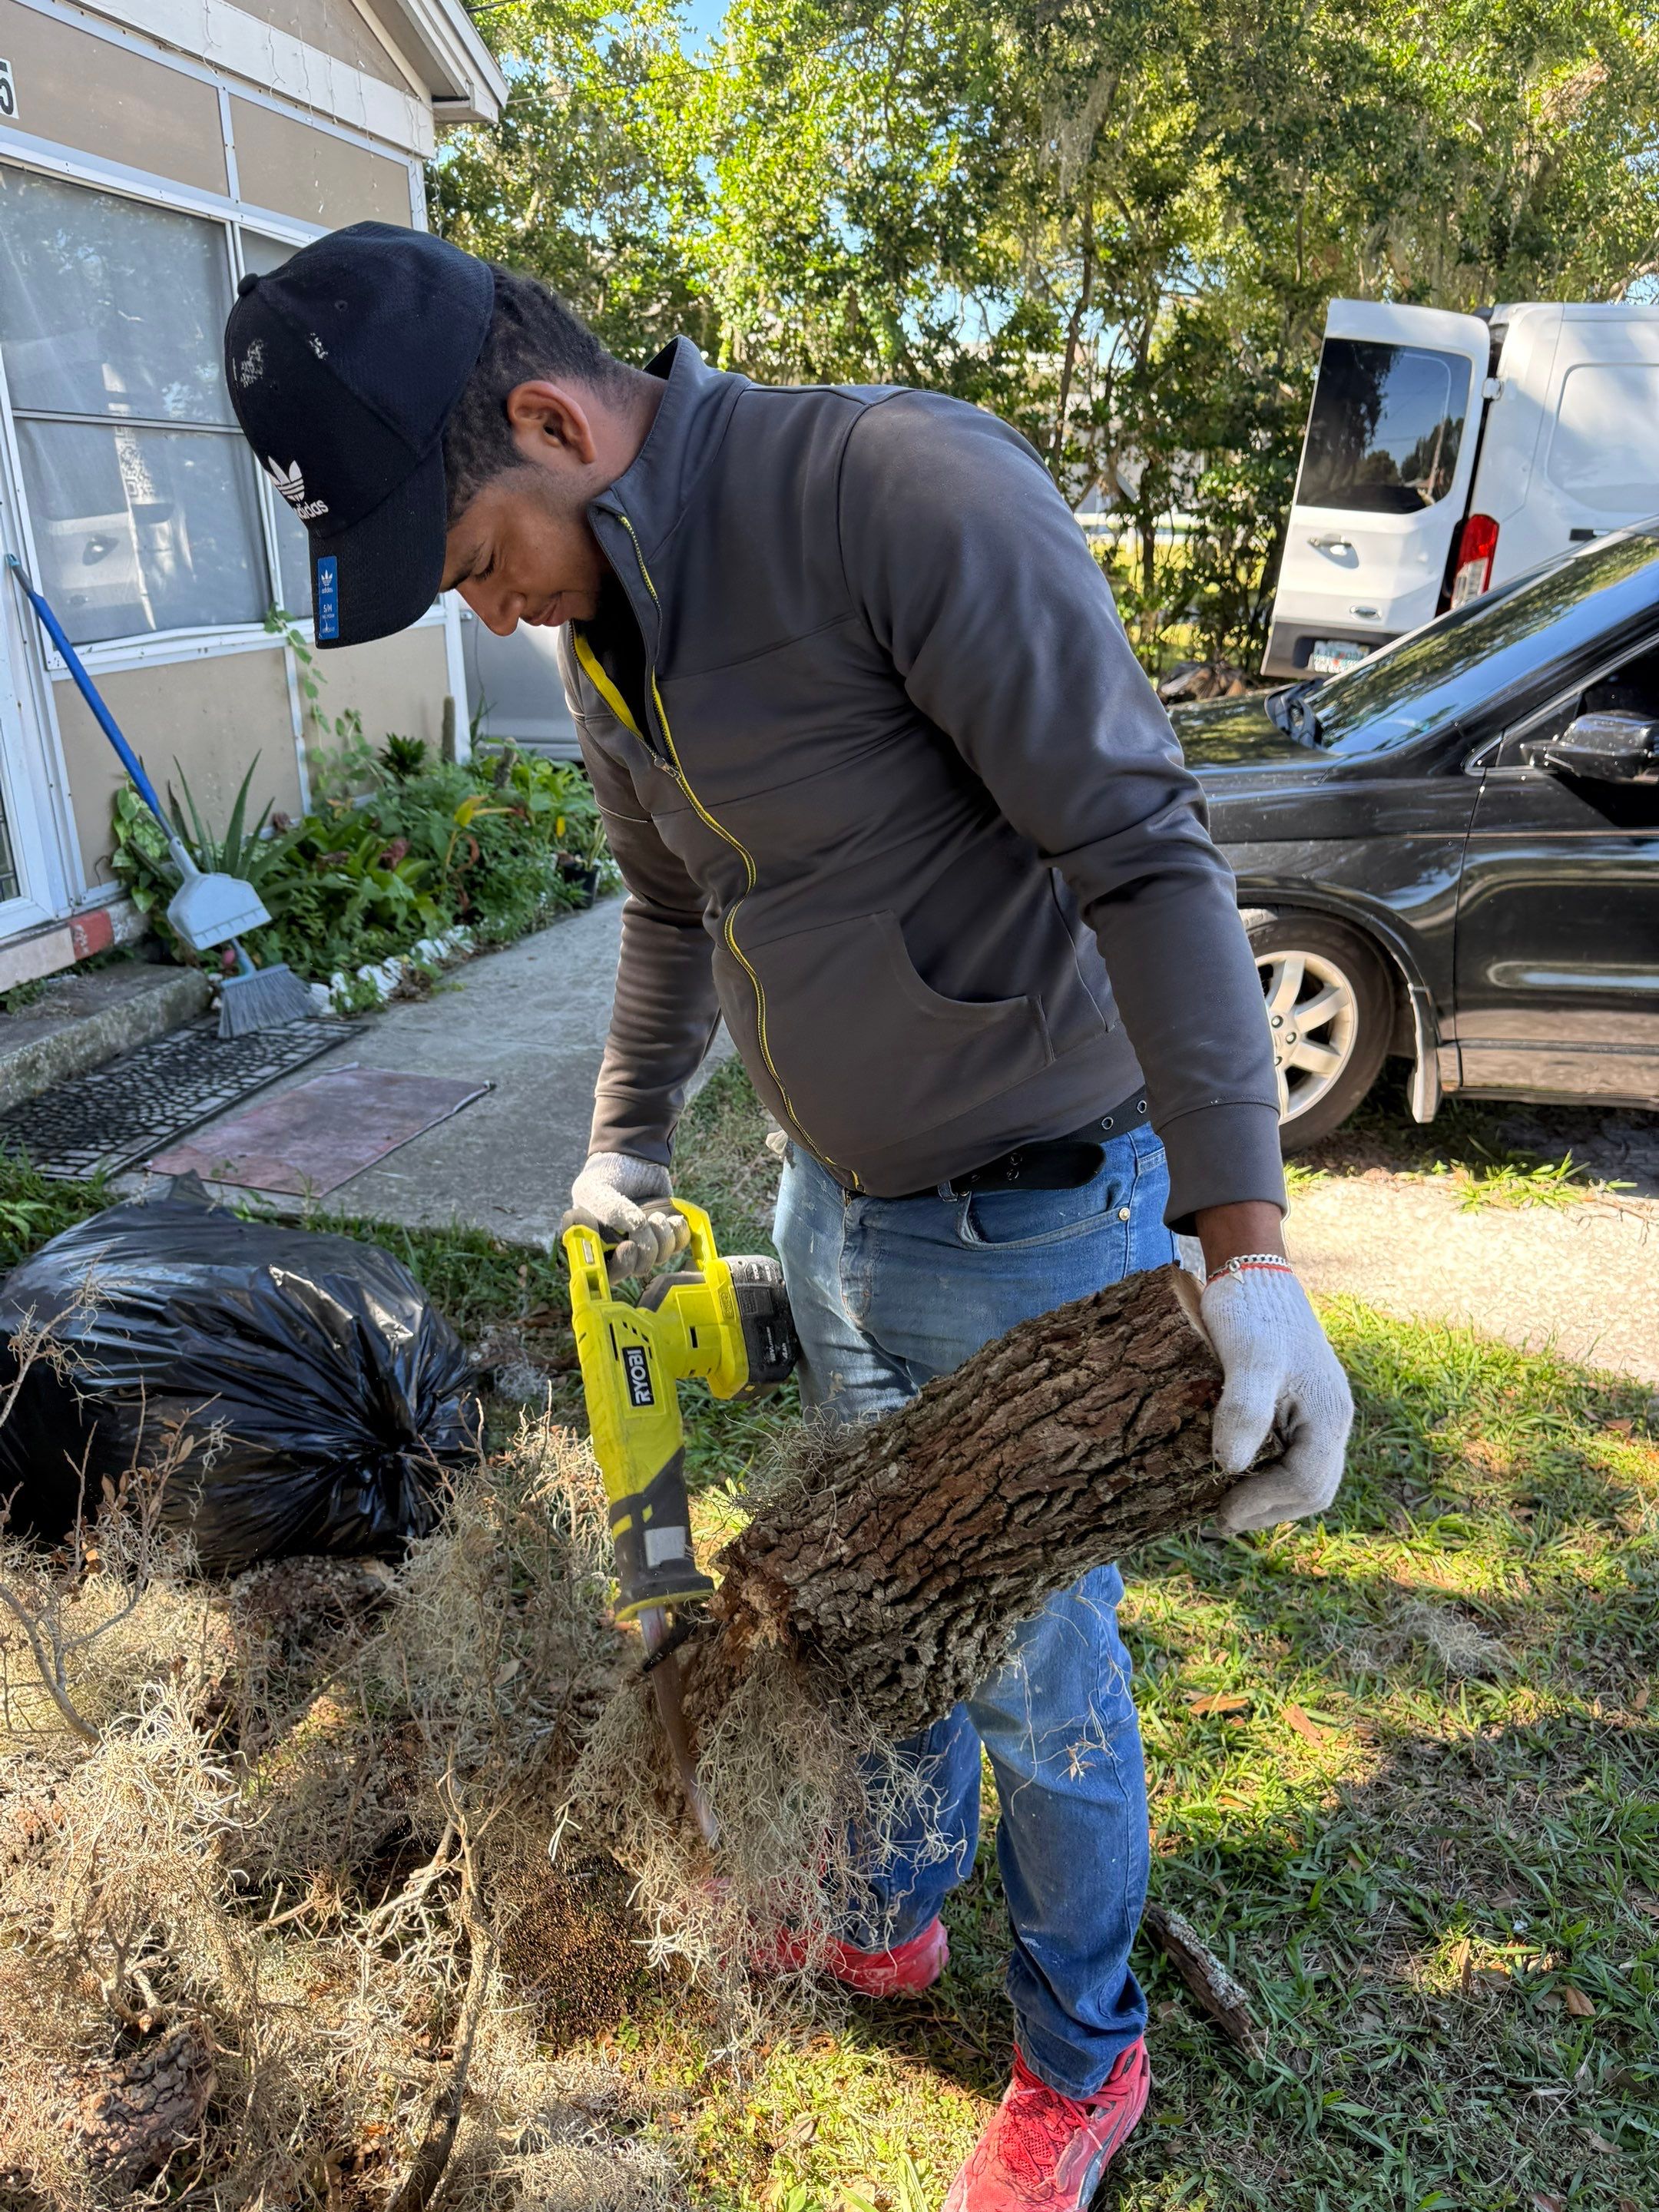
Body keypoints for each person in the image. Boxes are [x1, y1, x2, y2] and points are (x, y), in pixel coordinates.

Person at [224, 221, 1353, 2210]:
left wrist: (1246, 1254)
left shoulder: (896, 494)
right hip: (830, 1209)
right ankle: (892, 1911)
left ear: (551, 420)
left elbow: (1144, 851)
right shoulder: (608, 635)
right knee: (859, 1610)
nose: (490, 616)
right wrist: (626, 1140)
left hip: (1037, 1229)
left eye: (480, 559)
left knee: (1042, 1680)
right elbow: (672, 908)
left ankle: (1087, 2057)